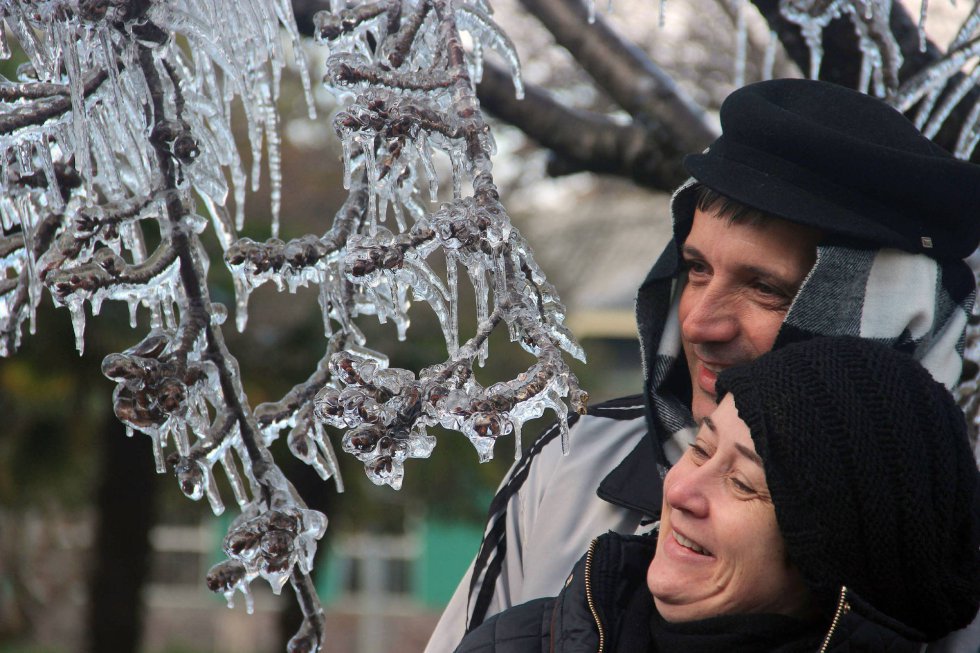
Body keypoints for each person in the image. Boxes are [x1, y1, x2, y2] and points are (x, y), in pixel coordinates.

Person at [425, 78, 980, 651]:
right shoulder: (573, 469)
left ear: (886, 316)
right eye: (696, 269)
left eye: (765, 288)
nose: (699, 324)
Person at [453, 337, 980, 652]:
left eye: (743, 484)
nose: (681, 490)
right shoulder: (521, 642)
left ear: (834, 559)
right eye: (702, 451)